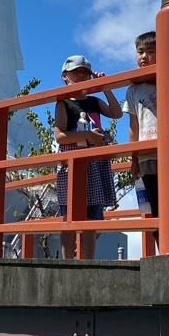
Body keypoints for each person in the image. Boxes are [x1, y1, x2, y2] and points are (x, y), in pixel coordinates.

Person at [54, 55, 123, 259]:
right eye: (77, 72)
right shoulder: (63, 103)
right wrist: (87, 135)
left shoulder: (94, 101)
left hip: (94, 158)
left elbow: (116, 113)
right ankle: (67, 261)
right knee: (68, 212)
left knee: (93, 212)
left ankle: (88, 260)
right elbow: (60, 136)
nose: (81, 76)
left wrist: (105, 87)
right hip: (72, 159)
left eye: (85, 72)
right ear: (65, 76)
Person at [123, 31, 158, 218]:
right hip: (146, 155)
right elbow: (133, 126)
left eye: (150, 51)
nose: (144, 56)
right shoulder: (133, 90)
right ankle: (162, 247)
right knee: (152, 208)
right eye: (140, 51)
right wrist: (133, 158)